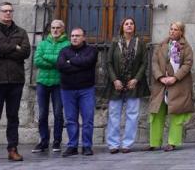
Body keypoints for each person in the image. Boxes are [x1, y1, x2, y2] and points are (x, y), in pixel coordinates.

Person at [0, 2, 31, 165]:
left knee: (13, 117)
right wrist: (14, 48)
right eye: (4, 11)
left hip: (15, 80)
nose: (8, 13)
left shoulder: (21, 32)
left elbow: (25, 52)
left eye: (10, 11)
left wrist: (3, 48)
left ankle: (12, 149)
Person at [103, 17, 149, 154]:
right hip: (116, 83)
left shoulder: (140, 43)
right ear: (122, 27)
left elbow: (144, 63)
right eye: (126, 24)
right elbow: (109, 62)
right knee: (114, 114)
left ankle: (127, 144)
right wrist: (114, 80)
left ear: (134, 27)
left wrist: (136, 79)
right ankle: (113, 144)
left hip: (133, 83)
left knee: (132, 114)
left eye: (131, 24)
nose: (129, 26)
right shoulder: (115, 42)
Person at [148, 21, 194, 152]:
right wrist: (161, 77)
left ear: (181, 32)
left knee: (177, 114)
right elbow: (154, 62)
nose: (172, 31)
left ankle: (172, 142)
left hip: (178, 85)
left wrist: (175, 77)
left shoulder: (186, 47)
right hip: (161, 85)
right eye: (171, 29)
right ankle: (154, 142)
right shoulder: (162, 45)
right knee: (156, 113)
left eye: (176, 29)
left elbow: (187, 64)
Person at [57, 27, 99, 157]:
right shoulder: (64, 51)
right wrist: (80, 66)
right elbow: (60, 66)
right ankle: (72, 146)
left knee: (88, 119)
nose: (74, 38)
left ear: (84, 37)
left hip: (86, 89)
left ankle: (87, 146)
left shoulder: (91, 50)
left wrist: (71, 62)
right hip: (67, 90)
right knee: (70, 119)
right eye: (72, 35)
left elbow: (88, 62)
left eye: (77, 35)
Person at [32, 20, 69, 154]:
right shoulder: (42, 44)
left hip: (59, 83)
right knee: (42, 114)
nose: (55, 30)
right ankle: (43, 141)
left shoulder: (67, 44)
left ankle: (57, 141)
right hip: (42, 82)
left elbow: (64, 62)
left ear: (63, 29)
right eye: (53, 28)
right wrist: (56, 62)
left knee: (58, 113)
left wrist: (47, 58)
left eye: (58, 28)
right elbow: (37, 61)